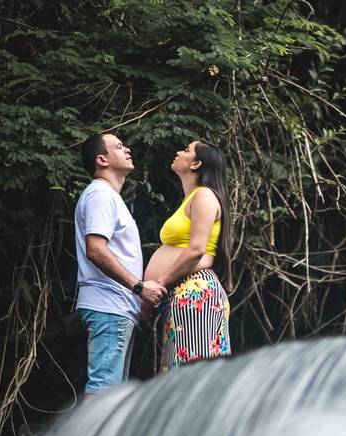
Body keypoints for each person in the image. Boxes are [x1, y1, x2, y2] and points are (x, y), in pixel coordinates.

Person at [74, 133, 166, 393]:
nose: (127, 149)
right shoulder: (100, 195)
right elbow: (96, 250)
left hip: (117, 307)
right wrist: (139, 288)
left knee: (111, 394)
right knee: (103, 391)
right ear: (102, 160)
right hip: (109, 306)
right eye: (118, 146)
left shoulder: (109, 197)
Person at [144, 140, 233, 371]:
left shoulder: (204, 196)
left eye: (185, 150)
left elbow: (197, 250)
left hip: (195, 294)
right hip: (183, 294)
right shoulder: (192, 198)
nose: (178, 152)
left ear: (196, 164)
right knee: (181, 373)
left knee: (192, 374)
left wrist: (159, 283)